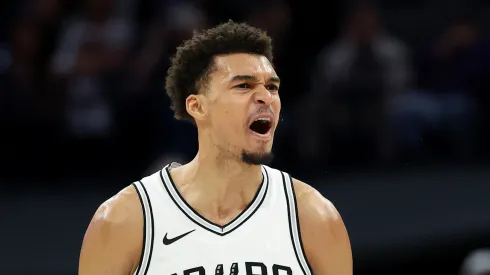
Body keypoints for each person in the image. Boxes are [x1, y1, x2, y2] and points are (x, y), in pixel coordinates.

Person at [79, 21, 352, 275]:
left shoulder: (314, 217)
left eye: (272, 86)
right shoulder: (124, 220)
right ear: (197, 106)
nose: (265, 97)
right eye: (244, 85)